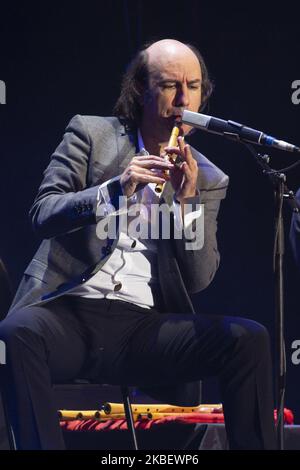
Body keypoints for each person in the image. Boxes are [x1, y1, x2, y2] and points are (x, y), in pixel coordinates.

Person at [0, 39, 276, 450]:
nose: (184, 99)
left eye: (194, 86)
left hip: (142, 328)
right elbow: (43, 213)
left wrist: (186, 205)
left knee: (247, 338)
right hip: (70, 312)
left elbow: (198, 280)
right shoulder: (92, 133)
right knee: (15, 332)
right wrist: (115, 188)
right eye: (169, 85)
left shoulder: (209, 177)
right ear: (139, 91)